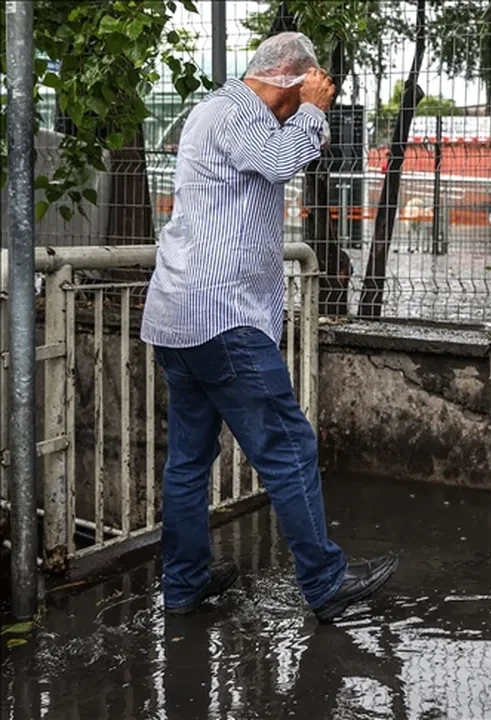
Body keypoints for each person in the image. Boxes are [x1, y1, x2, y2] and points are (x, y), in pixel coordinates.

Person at [141, 33, 398, 622]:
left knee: (187, 458)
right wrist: (312, 107)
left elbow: (280, 154)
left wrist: (303, 111)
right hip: (222, 317)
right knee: (288, 448)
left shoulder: (219, 114)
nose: (293, 112)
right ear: (285, 77)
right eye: (295, 95)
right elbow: (285, 158)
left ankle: (184, 584)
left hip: (181, 319)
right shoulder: (237, 110)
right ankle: (325, 581)